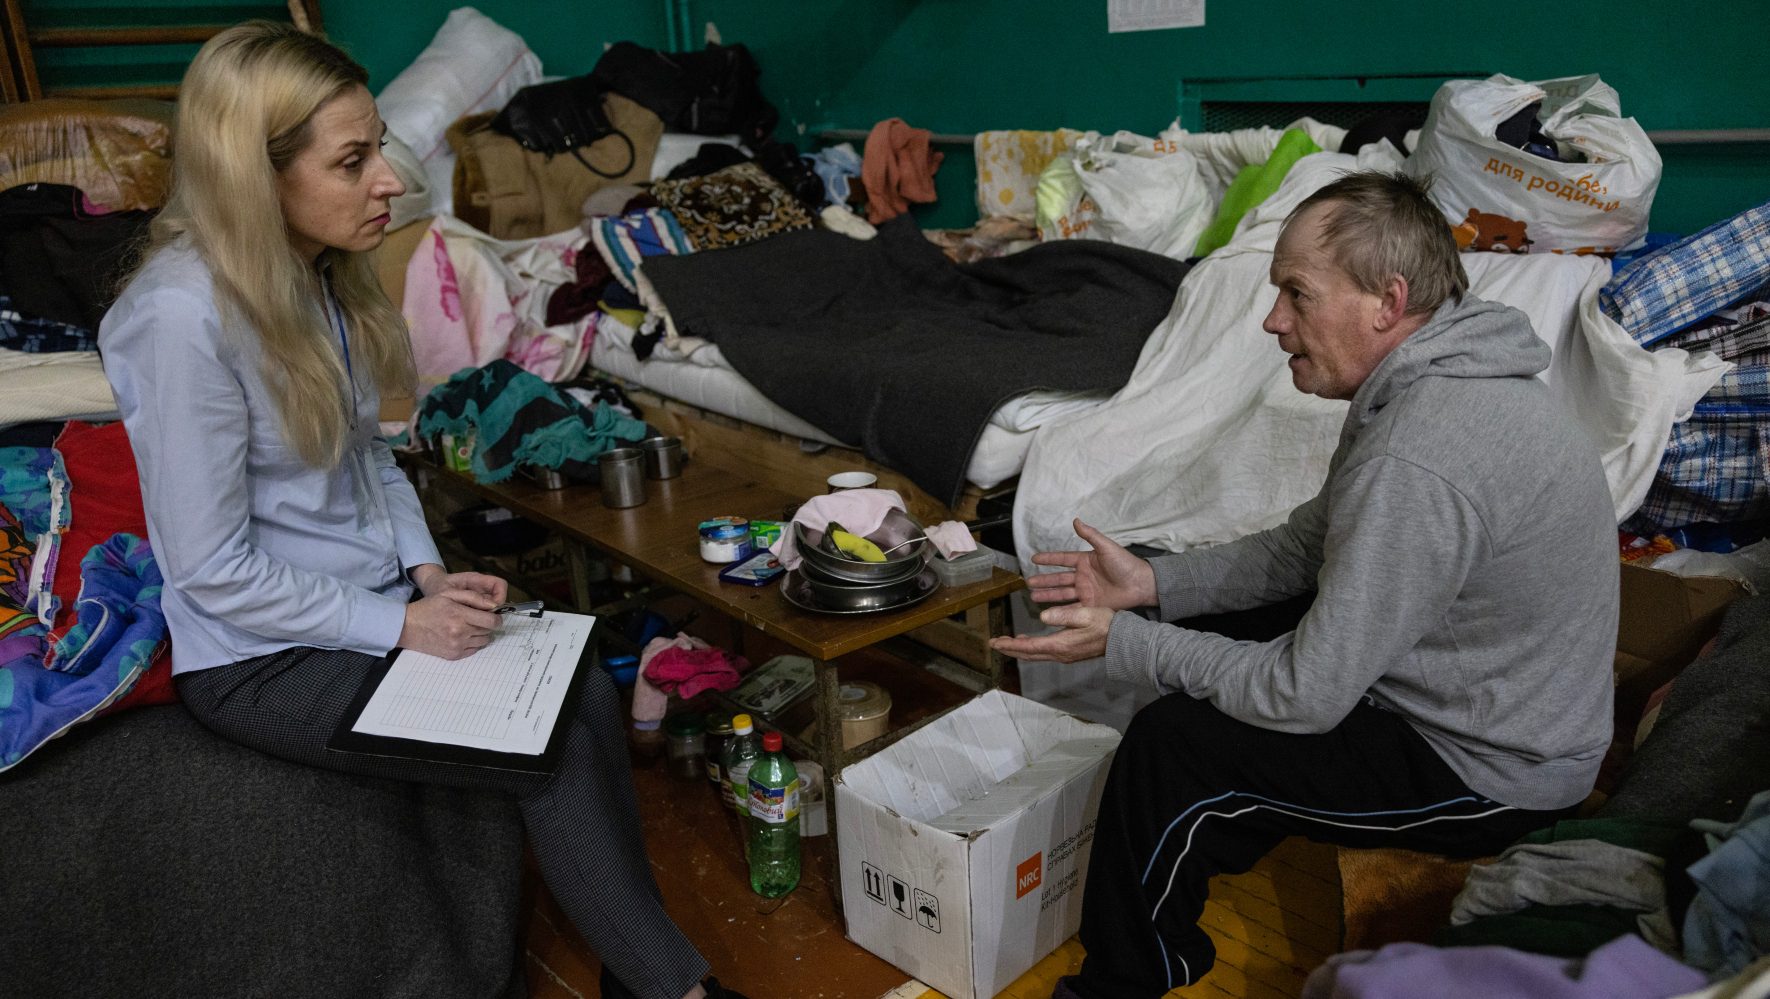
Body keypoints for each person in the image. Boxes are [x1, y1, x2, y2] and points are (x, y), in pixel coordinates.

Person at [98, 23, 743, 999]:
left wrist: (427, 568)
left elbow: (371, 457)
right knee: (548, 740)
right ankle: (672, 990)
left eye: (378, 150)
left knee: (584, 683)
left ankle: (632, 964)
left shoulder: (317, 278)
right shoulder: (177, 321)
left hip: (363, 596)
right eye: (353, 161)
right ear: (253, 175)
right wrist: (401, 624)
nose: (391, 181)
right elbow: (209, 571)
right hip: (259, 654)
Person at [992, 171, 1619, 999]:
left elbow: (1306, 695)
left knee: (1172, 749)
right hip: (1468, 685)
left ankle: (1118, 985)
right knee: (1228, 619)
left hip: (1491, 764)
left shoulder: (1421, 452)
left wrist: (1130, 641)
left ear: (1386, 302)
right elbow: (1305, 548)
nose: (1273, 319)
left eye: (1297, 293)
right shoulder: (1436, 379)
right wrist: (1152, 581)